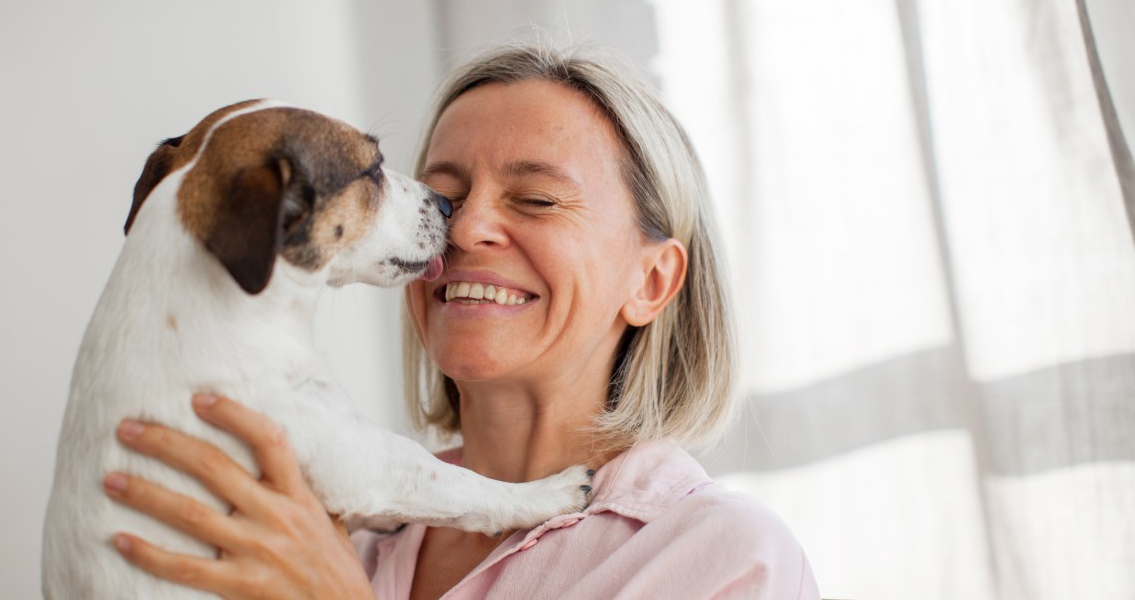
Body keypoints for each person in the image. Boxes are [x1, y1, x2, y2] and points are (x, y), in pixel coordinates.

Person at [100, 40, 820, 599]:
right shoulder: (302, 525)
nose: (466, 228)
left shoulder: (727, 560)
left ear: (652, 280)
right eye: (442, 200)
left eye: (536, 200)